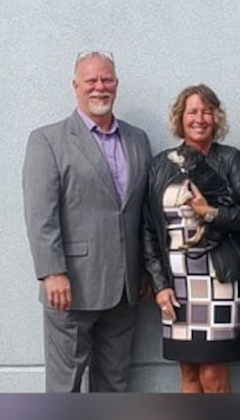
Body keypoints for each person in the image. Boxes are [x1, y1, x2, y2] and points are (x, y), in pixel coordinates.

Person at [22, 50, 152, 392]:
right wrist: (52, 272)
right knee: (65, 386)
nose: (99, 87)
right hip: (71, 287)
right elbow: (40, 214)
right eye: (91, 80)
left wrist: (145, 271)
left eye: (106, 79)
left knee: (115, 383)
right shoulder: (47, 140)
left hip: (126, 288)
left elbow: (140, 213)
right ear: (76, 86)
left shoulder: (138, 140)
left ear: (117, 85)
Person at [141, 84, 240, 393]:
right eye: (193, 111)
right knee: (189, 378)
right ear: (180, 117)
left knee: (212, 377)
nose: (200, 118)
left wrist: (210, 212)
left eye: (207, 111)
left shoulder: (230, 159)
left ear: (217, 117)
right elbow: (147, 228)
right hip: (177, 282)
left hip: (220, 279)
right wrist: (160, 285)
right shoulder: (161, 164)